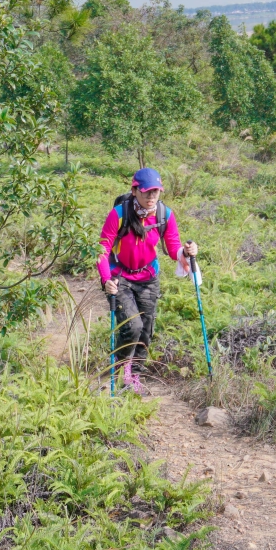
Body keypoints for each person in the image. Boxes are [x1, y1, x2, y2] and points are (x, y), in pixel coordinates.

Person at [97, 166, 197, 395]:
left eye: (156, 191)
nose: (152, 197)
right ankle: (120, 369)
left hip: (149, 277)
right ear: (134, 190)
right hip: (120, 276)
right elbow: (102, 249)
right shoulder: (119, 214)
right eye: (146, 192)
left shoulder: (164, 214)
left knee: (146, 330)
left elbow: (173, 249)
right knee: (132, 326)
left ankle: (135, 376)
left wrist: (187, 251)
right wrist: (106, 280)